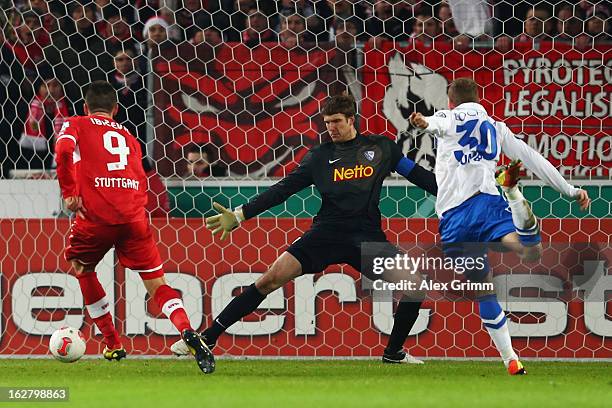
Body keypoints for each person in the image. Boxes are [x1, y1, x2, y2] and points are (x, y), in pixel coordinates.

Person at [172, 93, 438, 364]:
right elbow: (282, 190)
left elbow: (418, 176)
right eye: (327, 122)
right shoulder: (319, 157)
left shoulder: (382, 148)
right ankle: (207, 337)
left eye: (336, 121)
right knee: (268, 280)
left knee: (415, 286)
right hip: (325, 235)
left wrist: (462, 195)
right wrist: (241, 215)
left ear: (351, 119)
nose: (331, 128)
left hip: (366, 239)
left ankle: (393, 353)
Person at [408, 78, 591, 375]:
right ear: (478, 99)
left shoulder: (447, 116)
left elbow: (433, 123)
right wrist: (569, 190)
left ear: (451, 101)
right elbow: (532, 158)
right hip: (487, 205)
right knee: (530, 251)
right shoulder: (496, 126)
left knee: (483, 289)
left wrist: (422, 122)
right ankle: (513, 194)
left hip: (453, 219)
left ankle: (510, 360)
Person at [54, 81, 214, 373]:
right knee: (157, 284)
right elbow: (141, 178)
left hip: (97, 217)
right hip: (134, 217)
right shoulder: (129, 136)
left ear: (85, 107)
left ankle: (113, 343)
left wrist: (69, 192)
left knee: (81, 266)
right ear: (115, 109)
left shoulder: (76, 123)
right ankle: (187, 330)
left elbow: (63, 151)